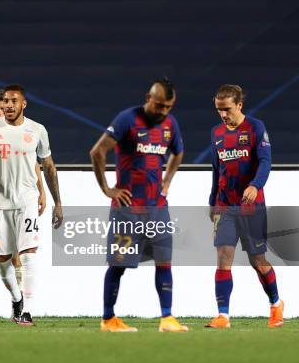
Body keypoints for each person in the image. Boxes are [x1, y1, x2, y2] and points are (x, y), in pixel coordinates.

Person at [90, 78, 188, 332]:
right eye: (159, 106)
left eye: (168, 107)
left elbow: (178, 152)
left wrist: (167, 181)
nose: (163, 112)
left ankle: (167, 319)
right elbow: (97, 152)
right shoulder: (127, 119)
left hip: (157, 207)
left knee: (164, 261)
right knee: (119, 265)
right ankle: (108, 319)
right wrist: (107, 189)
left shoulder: (170, 124)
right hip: (128, 209)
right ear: (148, 97)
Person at [0, 83, 63, 326]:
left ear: (23, 104)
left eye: (14, 102)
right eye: (6, 102)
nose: (9, 106)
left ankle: (28, 311)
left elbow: (48, 166)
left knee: (29, 253)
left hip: (27, 202)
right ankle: (17, 298)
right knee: (1, 260)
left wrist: (57, 202)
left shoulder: (37, 130)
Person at [206, 84, 282, 329]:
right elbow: (217, 171)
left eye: (227, 109)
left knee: (257, 260)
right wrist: (212, 201)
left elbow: (266, 161)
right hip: (225, 206)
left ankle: (276, 303)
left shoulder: (256, 128)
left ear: (239, 105)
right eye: (219, 110)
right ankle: (223, 316)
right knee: (223, 257)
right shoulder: (216, 133)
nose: (223, 115)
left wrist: (255, 185)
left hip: (251, 205)